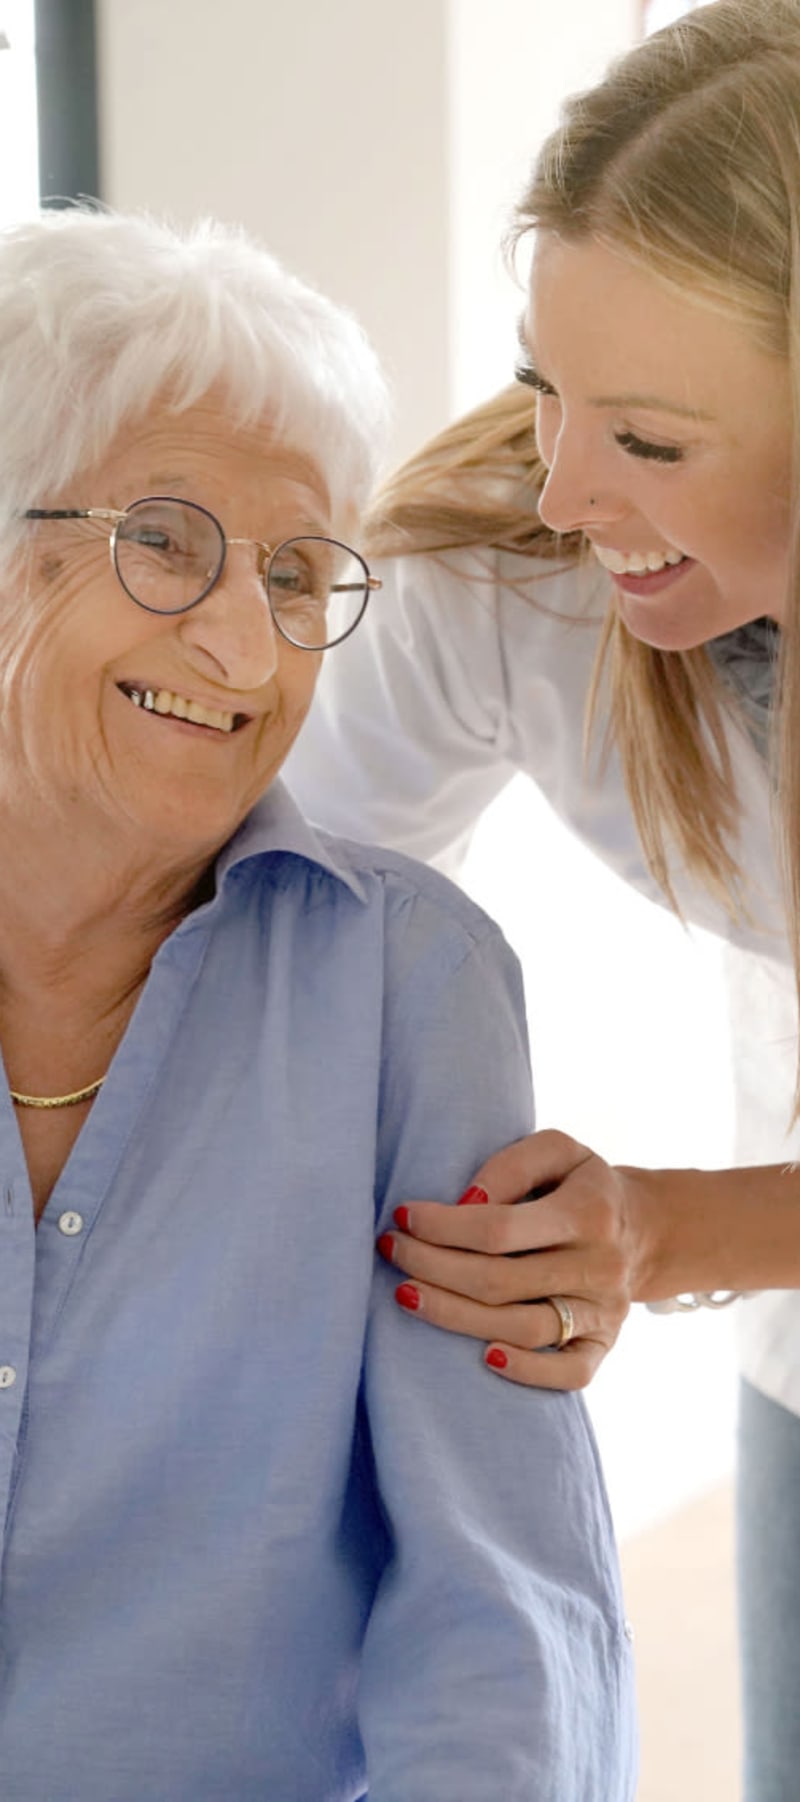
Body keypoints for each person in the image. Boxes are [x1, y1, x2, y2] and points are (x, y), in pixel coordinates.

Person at [0, 205, 637, 1802]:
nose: (242, 637)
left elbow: (501, 1610)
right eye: (165, 536)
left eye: (297, 572)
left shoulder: (407, 988)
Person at [284, 2, 800, 1795]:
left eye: (648, 440)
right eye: (541, 384)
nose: (568, 487)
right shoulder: (505, 566)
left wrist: (663, 1234)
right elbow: (273, 911)